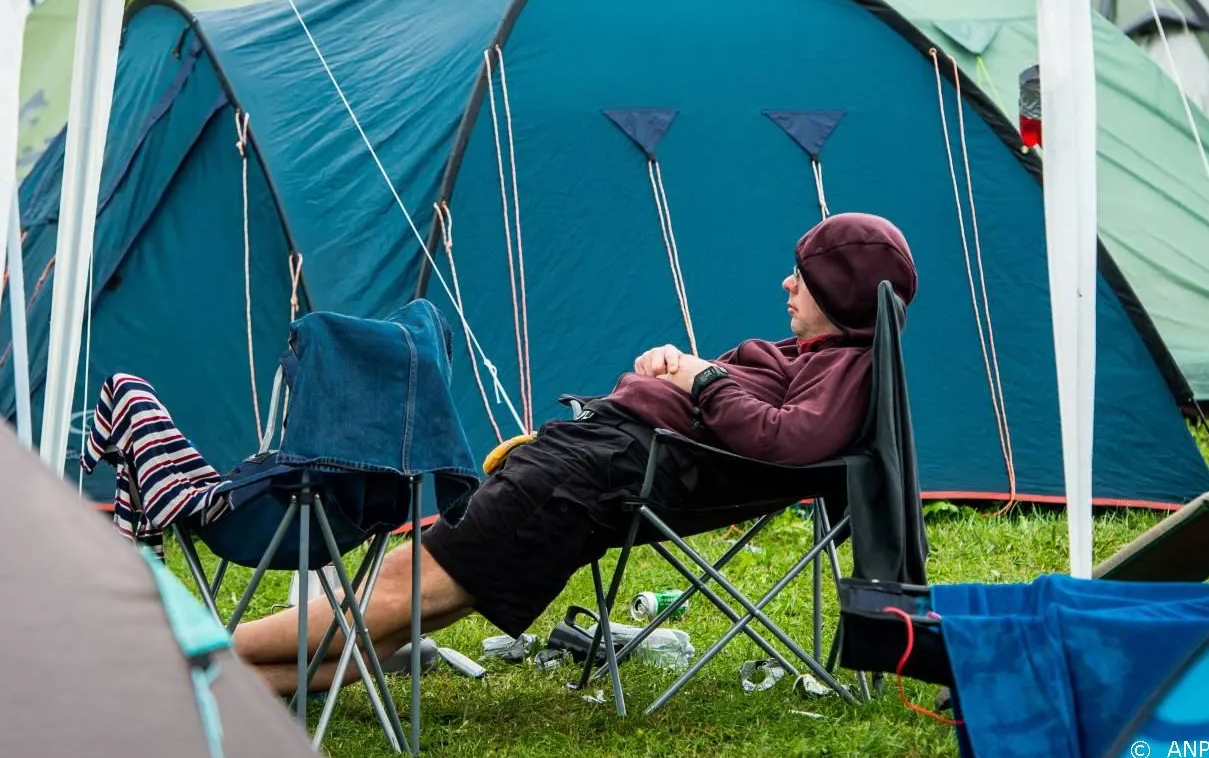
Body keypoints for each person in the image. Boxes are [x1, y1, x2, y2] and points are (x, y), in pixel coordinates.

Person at [233, 212, 918, 693]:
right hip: (599, 456)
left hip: (601, 473)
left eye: (801, 275)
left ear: (839, 290)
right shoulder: (820, 354)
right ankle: (232, 681)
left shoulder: (846, 365)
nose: (786, 285)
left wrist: (697, 375)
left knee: (410, 586)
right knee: (415, 593)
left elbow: (784, 439)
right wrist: (688, 368)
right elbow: (762, 415)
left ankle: (202, 654)